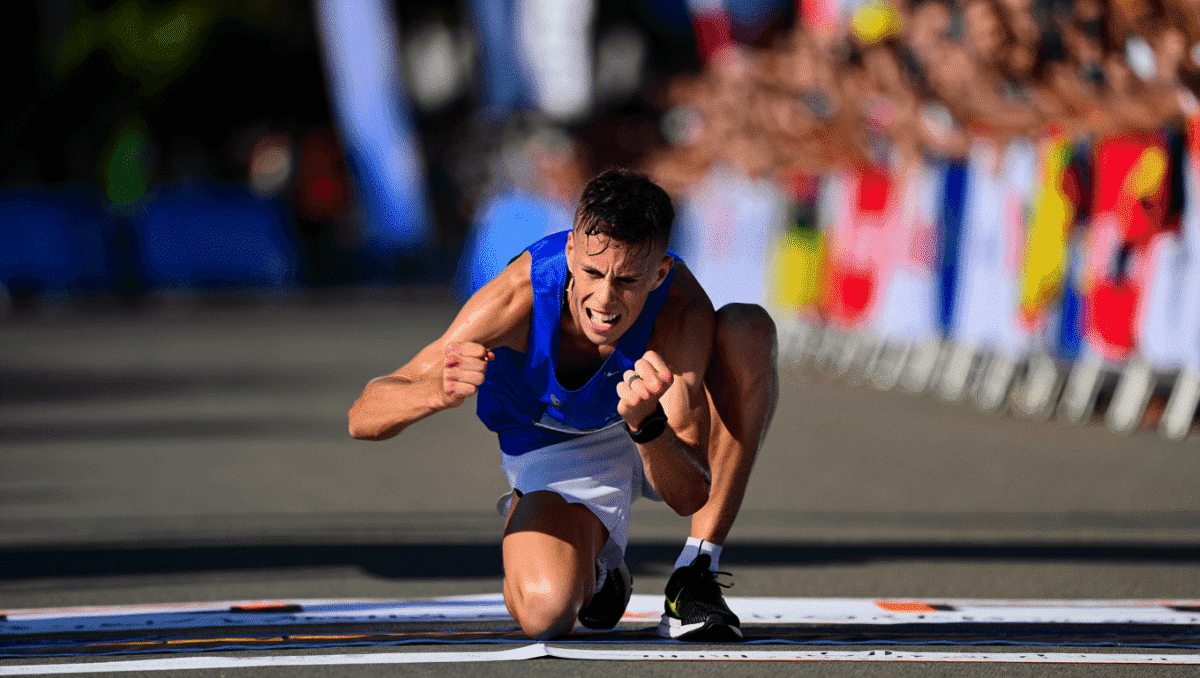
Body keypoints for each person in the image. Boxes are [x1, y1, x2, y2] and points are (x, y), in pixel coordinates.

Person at [349, 169, 778, 641]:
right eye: (592, 272)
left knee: (747, 330)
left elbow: (689, 493)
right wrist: (431, 393)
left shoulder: (679, 308)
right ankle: (590, 566)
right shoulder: (519, 297)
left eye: (628, 280)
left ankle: (695, 574)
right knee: (545, 614)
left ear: (658, 274)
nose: (605, 300)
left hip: (651, 430)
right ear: (571, 251)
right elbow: (362, 418)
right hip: (552, 449)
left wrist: (647, 425)